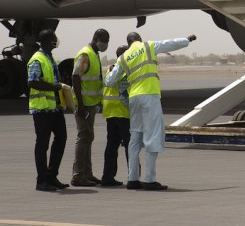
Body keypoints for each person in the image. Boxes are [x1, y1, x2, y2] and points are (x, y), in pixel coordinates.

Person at [104, 31, 196, 191]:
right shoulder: (148, 46)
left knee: (134, 139)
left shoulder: (124, 57)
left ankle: (132, 179)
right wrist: (186, 40)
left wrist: (113, 71)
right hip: (149, 96)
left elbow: (110, 81)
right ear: (139, 39)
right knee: (153, 136)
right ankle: (149, 179)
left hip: (134, 99)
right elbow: (171, 43)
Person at [27, 29, 70, 191]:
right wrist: (54, 87)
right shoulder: (37, 59)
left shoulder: (49, 57)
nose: (56, 41)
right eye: (53, 39)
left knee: (61, 138)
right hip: (42, 109)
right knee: (42, 144)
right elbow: (32, 82)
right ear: (46, 41)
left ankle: (52, 176)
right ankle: (42, 180)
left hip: (54, 108)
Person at [70, 28, 110, 187]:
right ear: (96, 38)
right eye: (104, 40)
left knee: (88, 138)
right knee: (83, 138)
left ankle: (87, 173)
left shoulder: (94, 54)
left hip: (91, 103)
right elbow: (75, 77)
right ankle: (78, 175)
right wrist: (79, 104)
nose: (106, 44)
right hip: (83, 104)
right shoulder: (85, 54)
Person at [100, 45, 131, 187]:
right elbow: (126, 94)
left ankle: (107, 176)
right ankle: (133, 176)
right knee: (131, 146)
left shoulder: (110, 69)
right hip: (123, 113)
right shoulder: (123, 70)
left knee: (111, 146)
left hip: (110, 113)